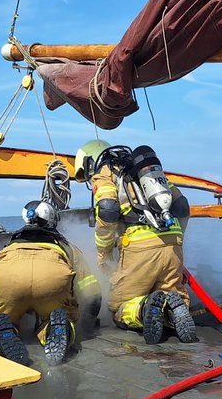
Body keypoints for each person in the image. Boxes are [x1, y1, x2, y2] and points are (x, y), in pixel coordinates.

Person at [73, 140, 197, 344]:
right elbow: (182, 206)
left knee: (120, 306)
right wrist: (177, 242)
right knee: (171, 293)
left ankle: (144, 308)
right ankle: (174, 311)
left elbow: (107, 209)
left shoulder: (105, 172)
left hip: (139, 246)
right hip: (172, 242)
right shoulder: (143, 171)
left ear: (89, 161)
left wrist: (103, 254)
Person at [0, 199, 101, 366]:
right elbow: (90, 289)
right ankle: (56, 328)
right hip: (51, 280)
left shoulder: (10, 244)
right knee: (60, 316)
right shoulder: (67, 246)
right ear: (52, 220)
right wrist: (91, 318)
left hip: (9, 277)